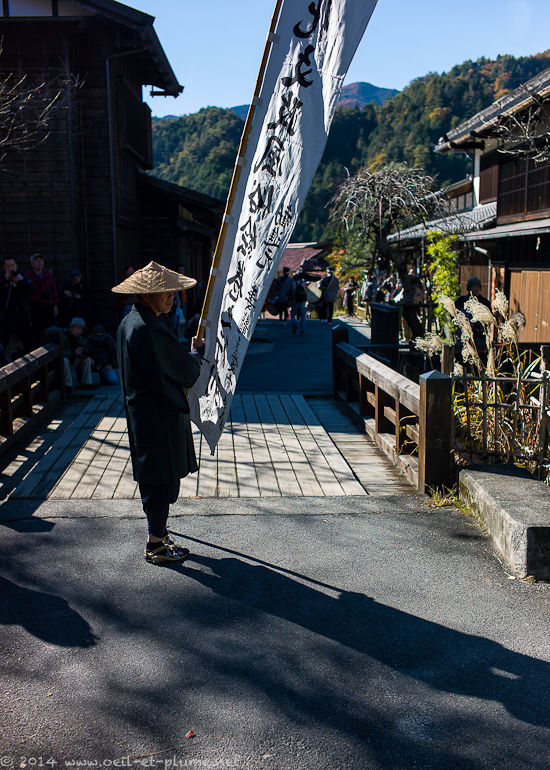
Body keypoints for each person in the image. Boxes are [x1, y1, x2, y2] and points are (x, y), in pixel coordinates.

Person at [112, 261, 204, 565]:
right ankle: (155, 544)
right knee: (160, 478)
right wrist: (194, 356)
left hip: (144, 412)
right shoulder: (148, 328)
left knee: (154, 475)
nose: (172, 298)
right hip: (158, 414)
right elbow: (182, 370)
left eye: (173, 292)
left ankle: (160, 534)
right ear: (147, 295)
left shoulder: (131, 321)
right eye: (165, 292)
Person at [455, 276, 492, 362]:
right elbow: (456, 316)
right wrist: (466, 323)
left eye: (477, 287)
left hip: (480, 336)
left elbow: (489, 319)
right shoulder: (461, 301)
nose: (475, 289)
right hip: (464, 335)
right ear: (469, 288)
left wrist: (477, 324)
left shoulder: (484, 302)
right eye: (473, 287)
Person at [0, 257, 33, 356]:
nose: (10, 268)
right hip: (7, 314)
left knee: (27, 339)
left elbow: (30, 289)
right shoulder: (2, 279)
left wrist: (18, 282)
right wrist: (6, 280)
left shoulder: (22, 277)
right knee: (3, 339)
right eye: (8, 266)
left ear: (16, 266)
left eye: (12, 265)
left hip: (21, 313)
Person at [26, 253, 58, 345]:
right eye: (36, 261)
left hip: (48, 307)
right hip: (35, 308)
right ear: (32, 263)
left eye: (41, 261)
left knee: (49, 330)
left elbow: (54, 291)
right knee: (36, 331)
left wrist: (55, 305)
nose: (39, 263)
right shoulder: (28, 276)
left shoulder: (49, 276)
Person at [63, 317, 94, 389]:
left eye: (81, 329)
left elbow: (83, 347)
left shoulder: (79, 338)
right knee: (64, 360)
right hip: (67, 361)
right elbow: (62, 352)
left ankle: (87, 383)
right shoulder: (63, 336)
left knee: (87, 360)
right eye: (78, 328)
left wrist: (83, 353)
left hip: (74, 360)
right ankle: (68, 385)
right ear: (72, 328)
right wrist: (74, 353)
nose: (80, 331)